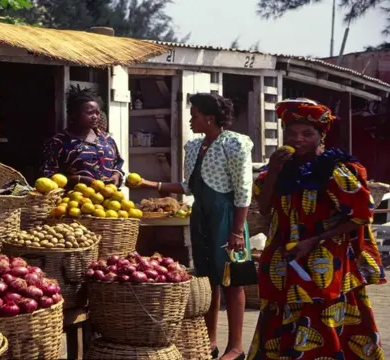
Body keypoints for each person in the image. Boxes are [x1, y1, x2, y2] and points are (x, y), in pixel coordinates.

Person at [247, 98, 386, 359]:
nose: (298, 139)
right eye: (292, 133)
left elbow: (360, 216)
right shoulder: (277, 169)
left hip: (325, 260)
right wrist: (275, 170)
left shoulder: (337, 170)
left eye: (307, 134)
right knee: (283, 315)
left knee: (323, 317)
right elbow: (265, 208)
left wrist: (315, 240)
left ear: (321, 137)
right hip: (284, 260)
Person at [129, 92, 253, 360]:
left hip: (229, 218)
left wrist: (236, 231)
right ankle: (210, 341)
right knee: (209, 281)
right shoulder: (195, 146)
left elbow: (243, 191)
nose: (190, 120)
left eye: (194, 115)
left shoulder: (235, 144)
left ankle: (236, 347)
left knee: (234, 281)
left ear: (209, 119)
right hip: (201, 217)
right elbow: (188, 186)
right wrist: (149, 185)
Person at [40, 89, 124, 188]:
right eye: (89, 113)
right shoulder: (59, 142)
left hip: (109, 199)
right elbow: (48, 176)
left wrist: (116, 175)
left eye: (97, 113)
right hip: (74, 200)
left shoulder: (106, 139)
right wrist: (79, 179)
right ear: (74, 114)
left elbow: (118, 163)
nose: (95, 117)